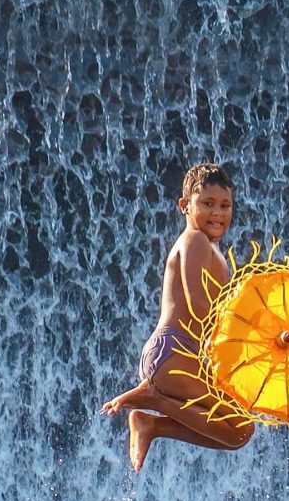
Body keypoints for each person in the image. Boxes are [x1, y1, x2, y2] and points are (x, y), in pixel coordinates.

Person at [102, 161, 254, 472]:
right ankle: (152, 401)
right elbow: (198, 303)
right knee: (239, 426)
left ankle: (152, 423)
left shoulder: (211, 249)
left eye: (225, 205)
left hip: (182, 355)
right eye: (207, 203)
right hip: (172, 351)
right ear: (184, 205)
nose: (217, 213)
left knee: (240, 431)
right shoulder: (194, 240)